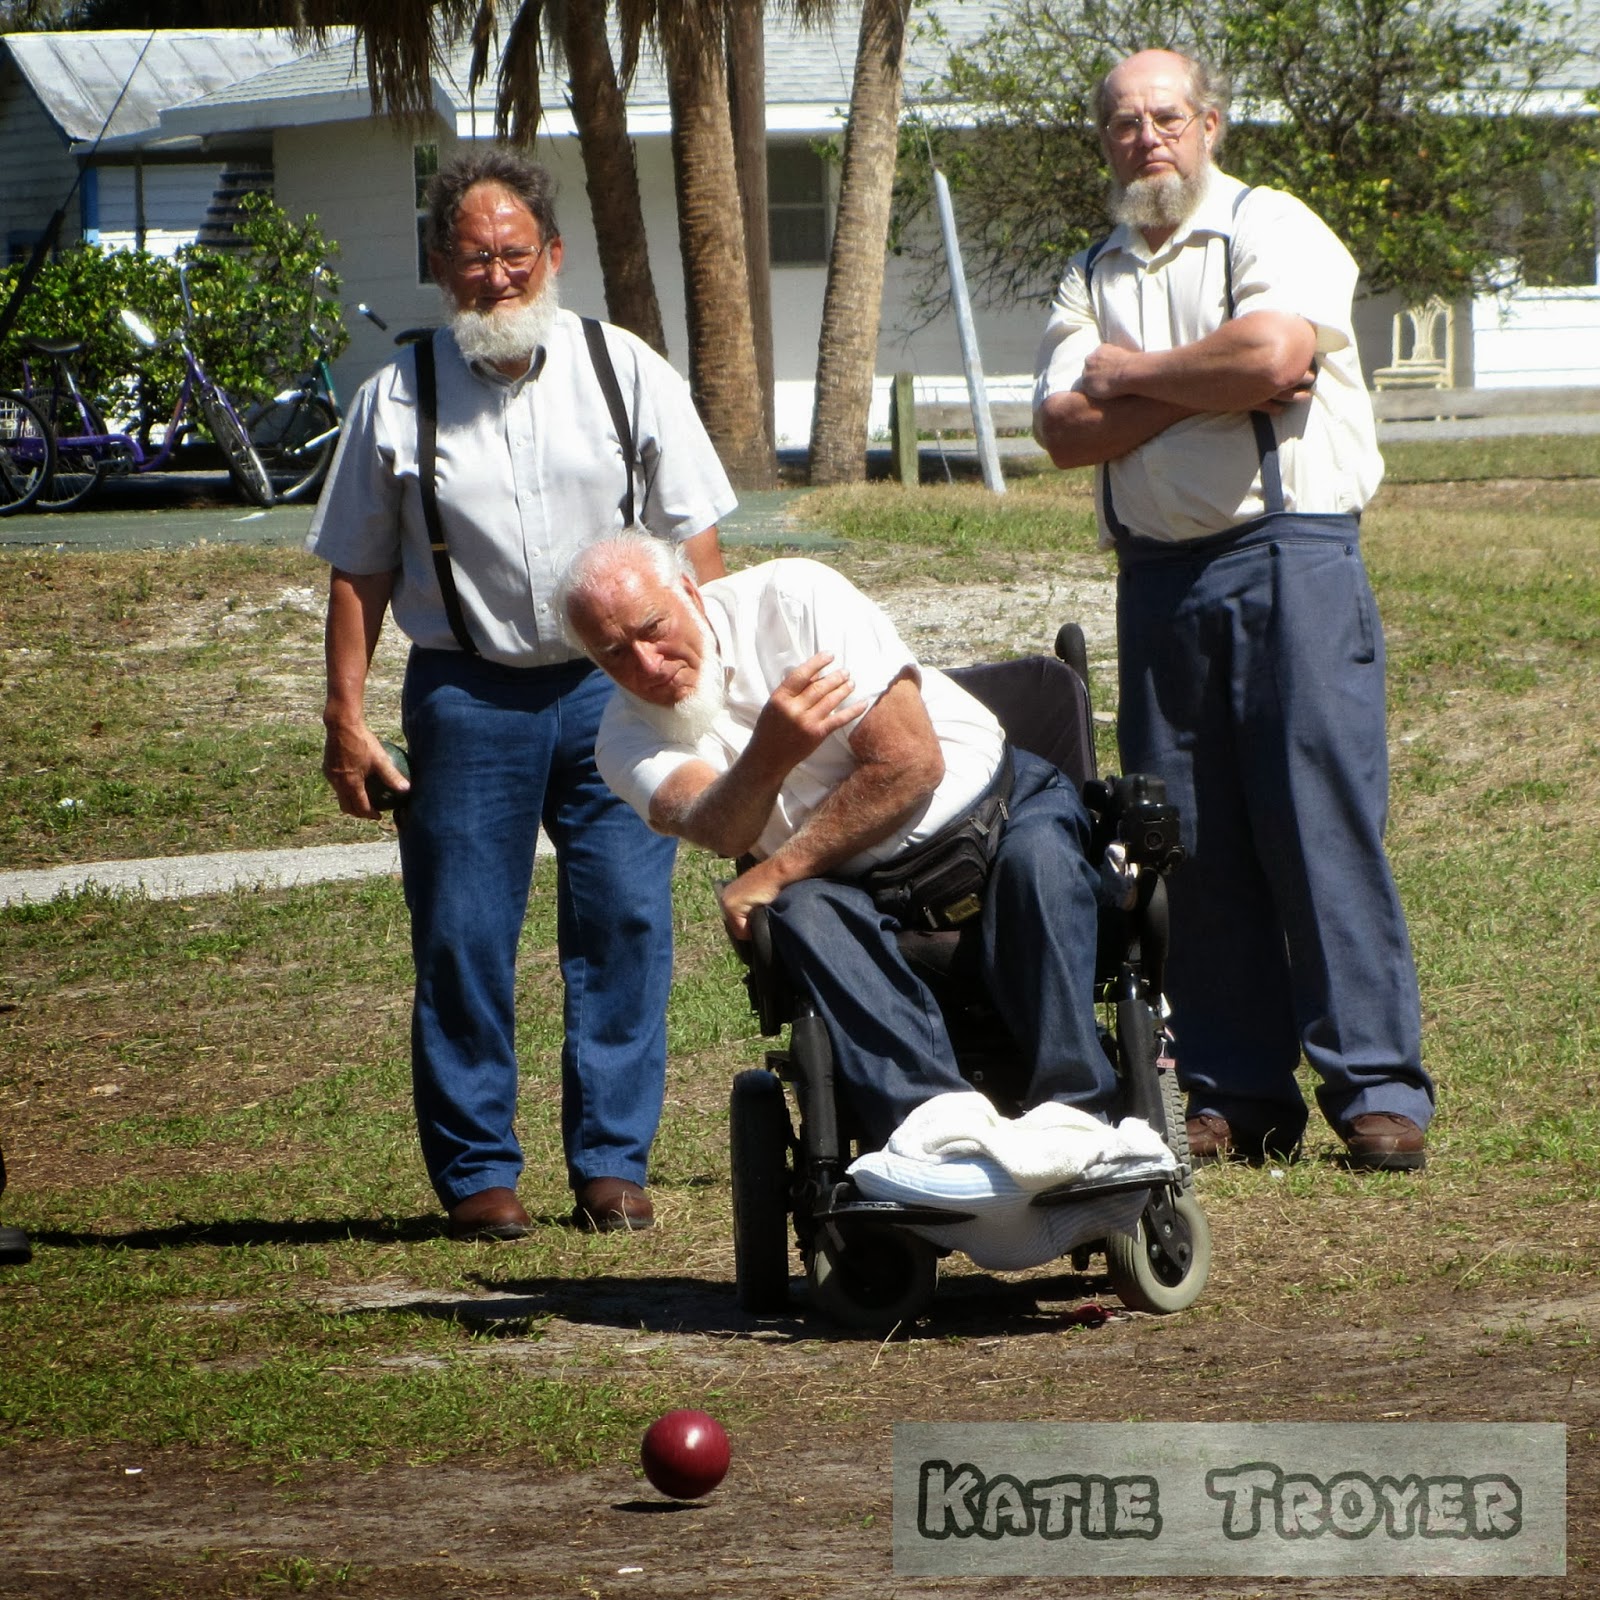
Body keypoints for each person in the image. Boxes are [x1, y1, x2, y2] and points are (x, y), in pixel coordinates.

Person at [310, 147, 735, 1240]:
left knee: (628, 920)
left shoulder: (624, 368)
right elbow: (356, 568)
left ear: (551, 255)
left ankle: (610, 1163)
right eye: (471, 258)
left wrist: (715, 678)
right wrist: (345, 717)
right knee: (460, 930)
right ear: (439, 268)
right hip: (466, 691)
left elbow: (696, 536)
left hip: (617, 690)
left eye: (513, 254)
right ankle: (478, 1175)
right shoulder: (395, 397)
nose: (495, 277)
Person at [1032, 48, 1434, 1170]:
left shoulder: (1272, 226)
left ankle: (1375, 1090)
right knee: (1186, 835)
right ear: (1104, 138)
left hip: (1287, 552)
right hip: (1157, 574)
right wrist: (1199, 383)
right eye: (1122, 121)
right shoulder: (1087, 271)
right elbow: (1064, 433)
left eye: (1165, 116)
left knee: (1317, 817)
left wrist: (1127, 378)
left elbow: (1274, 352)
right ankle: (1233, 1090)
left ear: (1209, 123)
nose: (1144, 137)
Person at [555, 532, 1117, 1149]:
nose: (648, 665)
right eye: (613, 654)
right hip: (845, 884)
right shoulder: (621, 738)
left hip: (1000, 810)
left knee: (1039, 864)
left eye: (653, 627)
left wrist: (773, 870)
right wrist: (769, 753)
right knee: (806, 916)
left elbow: (909, 765)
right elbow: (723, 829)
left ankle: (1080, 1115)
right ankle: (933, 1131)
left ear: (689, 590)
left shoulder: (794, 599)